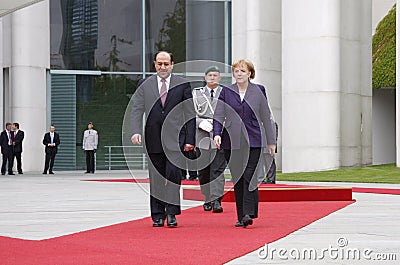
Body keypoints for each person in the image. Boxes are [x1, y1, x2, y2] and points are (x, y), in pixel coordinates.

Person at [131, 51, 196, 228]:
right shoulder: (145, 84)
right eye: (160, 63)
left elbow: (190, 113)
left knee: (174, 175)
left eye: (166, 63)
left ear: (172, 65)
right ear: (154, 64)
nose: (163, 67)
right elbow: (137, 109)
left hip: (176, 140)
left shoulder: (182, 85)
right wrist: (135, 131)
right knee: (156, 178)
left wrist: (190, 139)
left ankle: (172, 213)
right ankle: (158, 215)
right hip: (153, 139)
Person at [213, 59, 276, 228]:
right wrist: (216, 134)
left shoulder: (259, 90)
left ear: (250, 73)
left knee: (249, 175)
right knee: (238, 178)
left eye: (242, 71)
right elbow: (219, 114)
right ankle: (242, 216)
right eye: (236, 71)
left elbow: (265, 116)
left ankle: (248, 213)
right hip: (231, 141)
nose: (239, 74)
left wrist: (271, 141)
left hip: (253, 139)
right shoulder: (226, 91)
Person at [193, 66, 226, 213]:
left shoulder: (227, 93)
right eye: (210, 75)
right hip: (202, 136)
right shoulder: (196, 93)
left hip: (221, 135)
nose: (212, 77)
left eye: (215, 75)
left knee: (218, 169)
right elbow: (188, 113)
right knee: (204, 170)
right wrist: (200, 123)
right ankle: (207, 197)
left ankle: (217, 199)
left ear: (219, 78)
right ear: (205, 77)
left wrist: (222, 124)